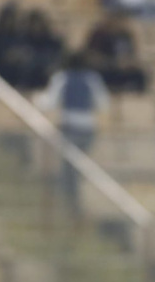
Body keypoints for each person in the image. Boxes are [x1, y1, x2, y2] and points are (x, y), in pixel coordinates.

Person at [33, 51, 110, 222]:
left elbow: (50, 101)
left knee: (71, 169)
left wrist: (37, 99)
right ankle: (73, 205)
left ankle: (72, 205)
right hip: (88, 128)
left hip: (71, 128)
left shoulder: (63, 78)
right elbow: (103, 103)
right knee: (73, 168)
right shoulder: (92, 79)